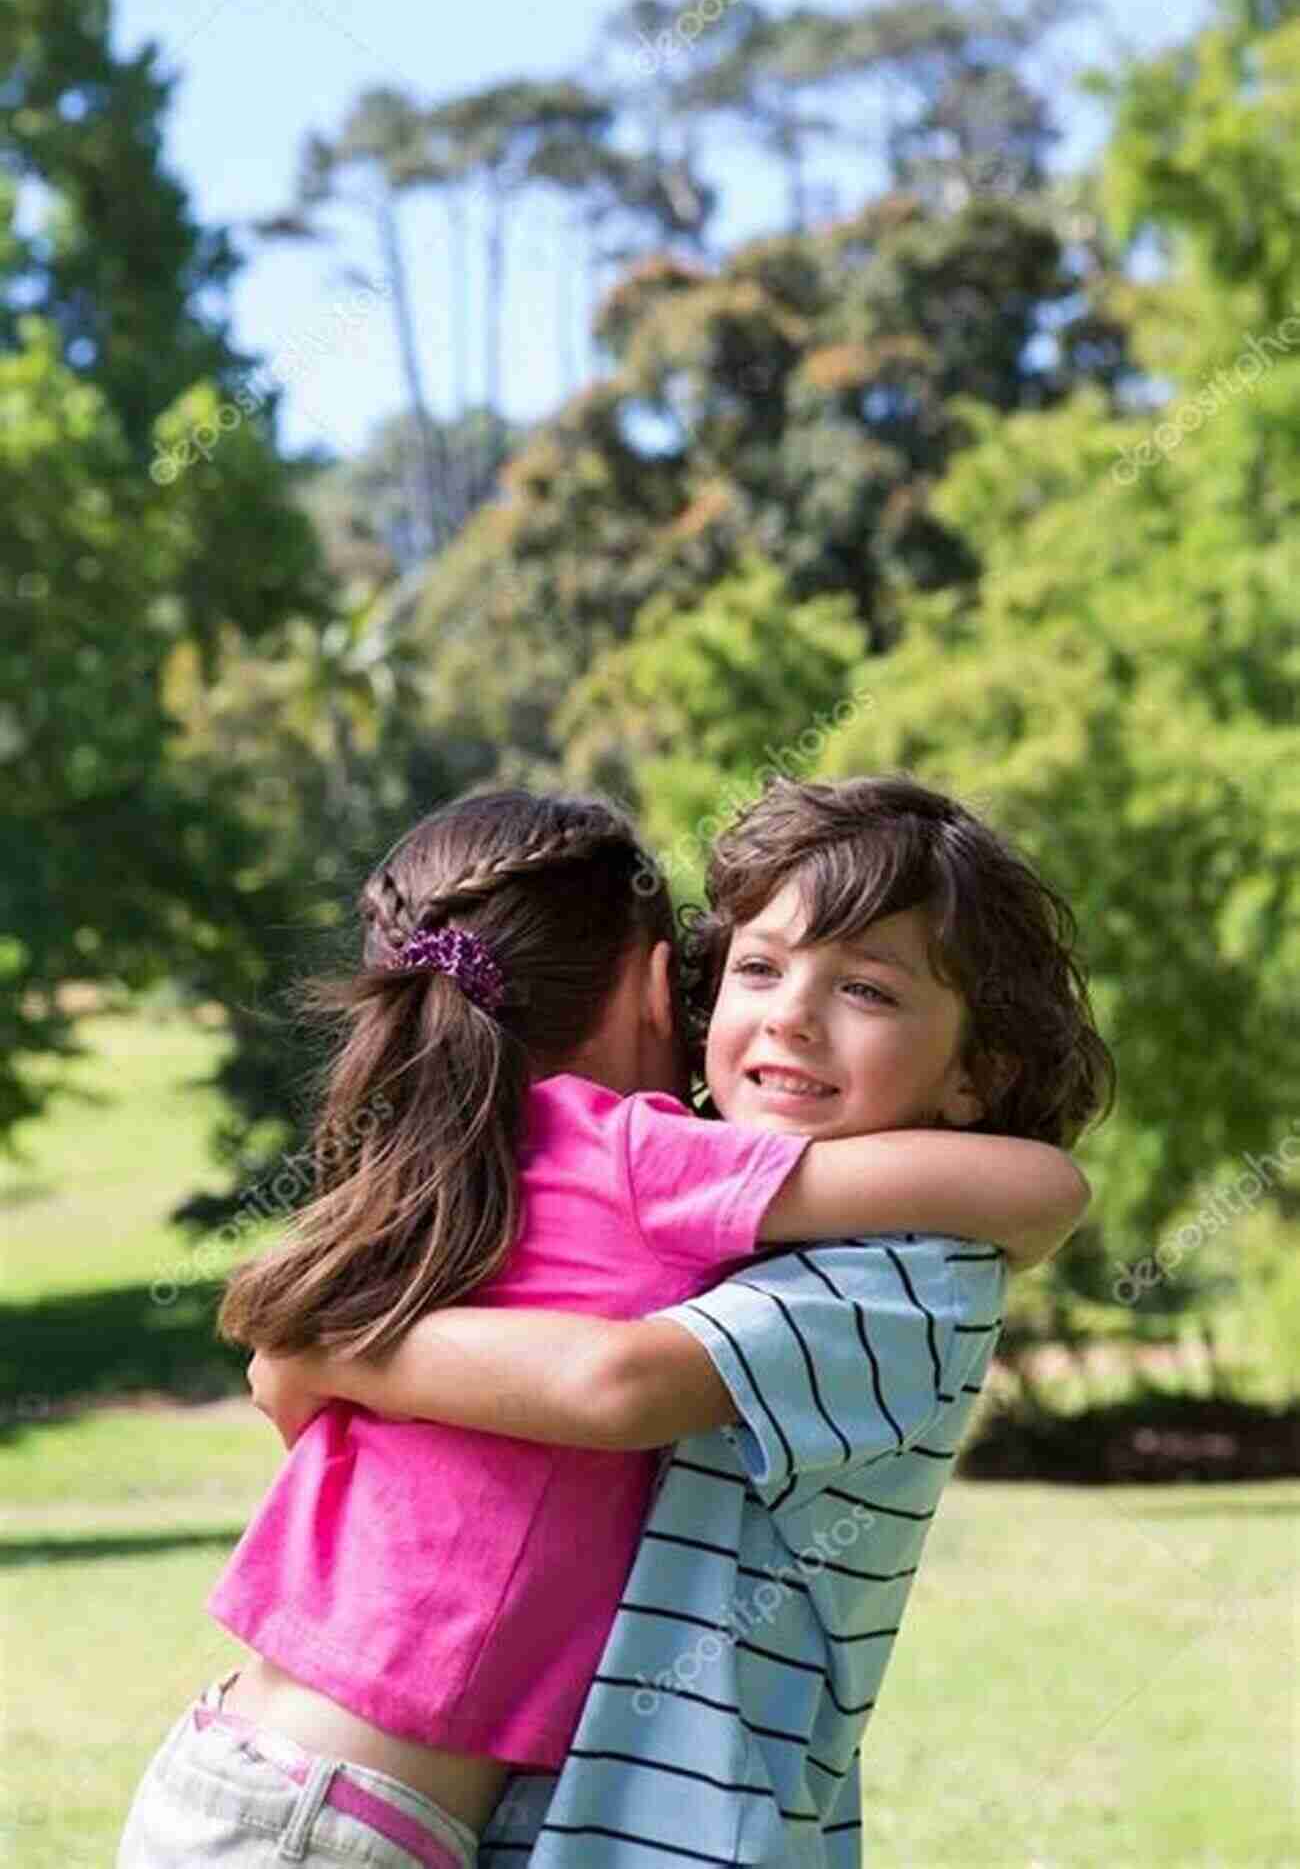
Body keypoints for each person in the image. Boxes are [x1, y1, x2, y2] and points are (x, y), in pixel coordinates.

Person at [117, 783, 1095, 1869]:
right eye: (756, 970)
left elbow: (302, 1381)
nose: (790, 1015)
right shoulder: (643, 1154)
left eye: (863, 987)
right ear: (661, 989)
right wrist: (320, 1348)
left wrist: (328, 1348)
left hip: (308, 1781)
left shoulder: (479, 1164)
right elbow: (1039, 1188)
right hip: (334, 1811)